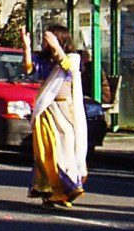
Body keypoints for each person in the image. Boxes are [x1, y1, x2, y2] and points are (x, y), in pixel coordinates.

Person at [22, 25, 88, 208]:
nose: (46, 42)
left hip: (65, 110)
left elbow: (67, 67)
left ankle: (67, 189)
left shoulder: (73, 59)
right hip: (46, 110)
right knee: (47, 152)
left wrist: (56, 48)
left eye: (50, 38)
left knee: (66, 149)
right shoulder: (43, 60)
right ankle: (50, 192)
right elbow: (28, 69)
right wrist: (26, 47)